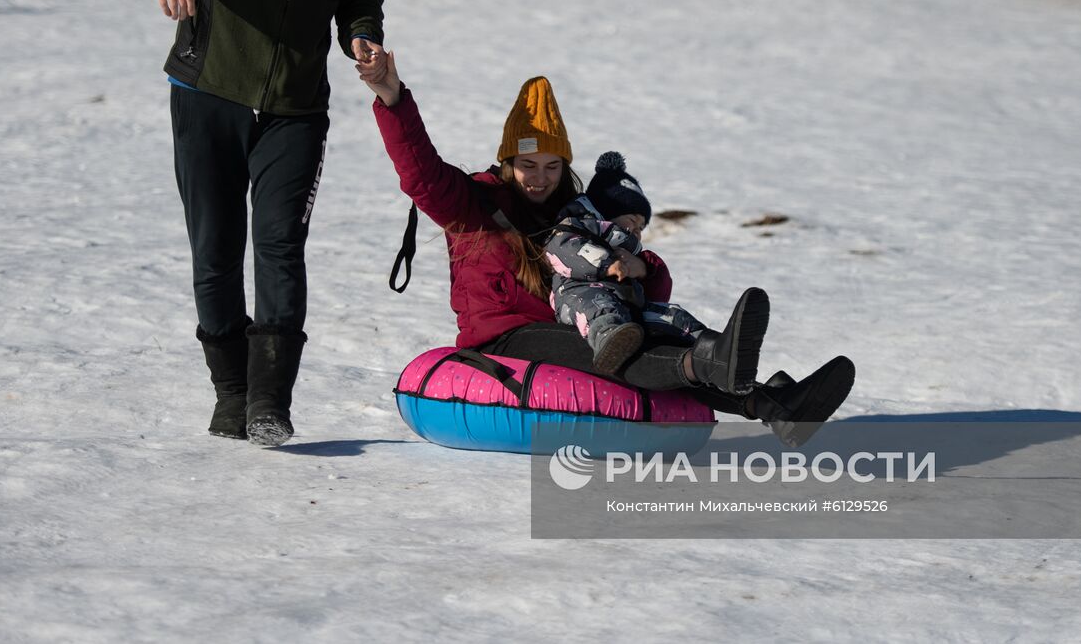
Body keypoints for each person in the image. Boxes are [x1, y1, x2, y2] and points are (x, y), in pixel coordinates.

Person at [357, 54, 854, 443]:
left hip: (573, 318)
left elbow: (647, 280)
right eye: (529, 165)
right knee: (617, 346)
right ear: (509, 161)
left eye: (552, 166)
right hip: (503, 336)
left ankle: (775, 406)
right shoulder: (472, 202)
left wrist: (639, 265)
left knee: (641, 329)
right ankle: (707, 367)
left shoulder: (577, 210)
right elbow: (419, 171)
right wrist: (391, 97)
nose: (540, 178)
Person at [110, 0, 389, 447]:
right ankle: (231, 394)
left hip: (296, 106)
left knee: (279, 244)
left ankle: (269, 402)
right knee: (214, 248)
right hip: (208, 91)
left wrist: (363, 35)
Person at [543, 150, 719, 375]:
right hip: (578, 292)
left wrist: (642, 269)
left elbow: (658, 291)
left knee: (672, 314)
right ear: (607, 212)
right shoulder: (577, 225)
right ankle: (609, 341)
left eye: (642, 227)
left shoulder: (630, 252)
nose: (636, 230)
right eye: (632, 221)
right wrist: (606, 264)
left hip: (626, 304)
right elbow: (564, 248)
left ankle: (713, 347)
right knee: (600, 305)